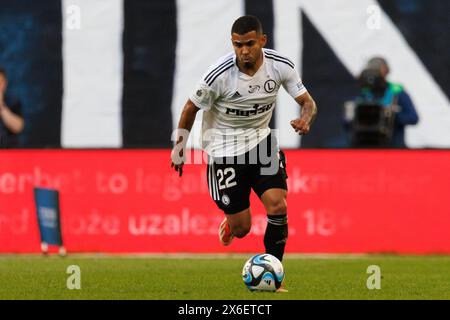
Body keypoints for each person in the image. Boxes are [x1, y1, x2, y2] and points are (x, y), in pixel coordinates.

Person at [170, 16, 317, 291]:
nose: (244, 50)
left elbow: (307, 102)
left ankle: (274, 276)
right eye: (238, 45)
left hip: (261, 144)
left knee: (278, 205)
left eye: (250, 43)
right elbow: (190, 109)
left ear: (262, 40)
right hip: (224, 151)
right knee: (242, 229)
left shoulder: (280, 66)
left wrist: (305, 119)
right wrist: (179, 149)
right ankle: (230, 222)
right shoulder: (219, 75)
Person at [344, 57, 419, 148]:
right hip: (363, 148)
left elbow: (413, 118)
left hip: (392, 147)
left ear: (386, 72)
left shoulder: (396, 92)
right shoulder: (362, 94)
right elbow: (346, 123)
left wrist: (391, 115)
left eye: (378, 70)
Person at [0, 68, 25, 148]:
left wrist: (2, 107)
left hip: (10, 152)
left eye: (0, 82)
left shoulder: (13, 102)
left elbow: (18, 127)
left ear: (5, 83)